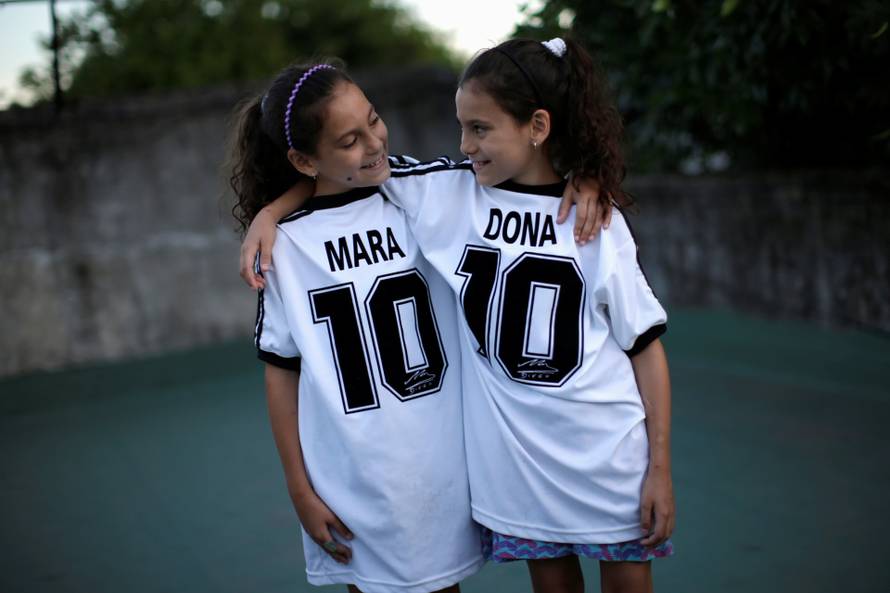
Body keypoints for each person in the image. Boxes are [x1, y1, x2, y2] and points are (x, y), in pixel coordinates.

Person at [242, 38, 675, 593]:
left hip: (599, 453)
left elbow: (643, 344)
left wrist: (589, 176)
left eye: (479, 129)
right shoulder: (440, 195)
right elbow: (344, 172)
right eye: (462, 129)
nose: (464, 145)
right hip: (495, 473)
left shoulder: (575, 216)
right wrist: (271, 211)